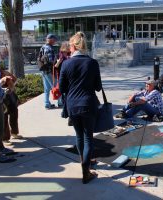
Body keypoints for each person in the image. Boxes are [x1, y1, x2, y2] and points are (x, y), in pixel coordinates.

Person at [59, 32, 102, 184]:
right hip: (88, 104)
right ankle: (86, 170)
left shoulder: (66, 63)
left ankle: (84, 162)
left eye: (69, 45)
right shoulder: (92, 63)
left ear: (74, 45)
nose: (68, 49)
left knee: (79, 136)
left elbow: (62, 87)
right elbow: (98, 87)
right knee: (88, 138)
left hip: (72, 105)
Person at [0, 55, 22, 145]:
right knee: (3, 116)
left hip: (5, 91)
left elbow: (1, 74)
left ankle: (14, 132)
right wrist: (1, 82)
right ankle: (4, 138)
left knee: (14, 110)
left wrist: (6, 78)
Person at [40, 34, 62, 109]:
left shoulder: (43, 47)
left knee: (46, 88)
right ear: (50, 39)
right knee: (56, 86)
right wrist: (57, 61)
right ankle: (60, 102)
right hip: (49, 71)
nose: (55, 41)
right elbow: (51, 61)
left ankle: (47, 104)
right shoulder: (49, 48)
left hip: (43, 70)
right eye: (54, 40)